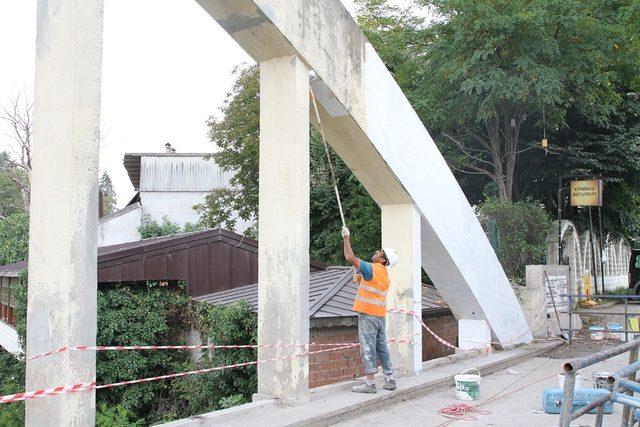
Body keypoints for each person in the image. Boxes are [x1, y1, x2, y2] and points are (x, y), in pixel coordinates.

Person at [341, 225, 399, 393]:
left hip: (368, 316)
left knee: (367, 347)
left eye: (380, 251)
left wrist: (346, 237)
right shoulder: (384, 275)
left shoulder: (371, 268)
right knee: (382, 348)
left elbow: (349, 257)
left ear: (383, 259)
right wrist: (360, 279)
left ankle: (370, 384)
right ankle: (390, 379)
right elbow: (373, 284)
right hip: (380, 316)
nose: (376, 251)